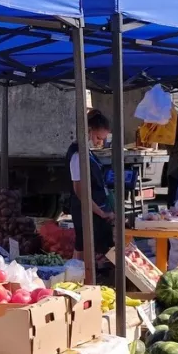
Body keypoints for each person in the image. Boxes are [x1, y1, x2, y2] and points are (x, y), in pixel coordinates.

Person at [67, 110, 114, 269]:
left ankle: (80, 276)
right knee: (83, 243)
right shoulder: (77, 155)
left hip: (93, 209)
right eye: (98, 138)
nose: (101, 142)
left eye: (103, 139)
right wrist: (101, 213)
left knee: (86, 244)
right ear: (88, 131)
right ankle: (79, 279)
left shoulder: (86, 152)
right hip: (84, 211)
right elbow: (80, 191)